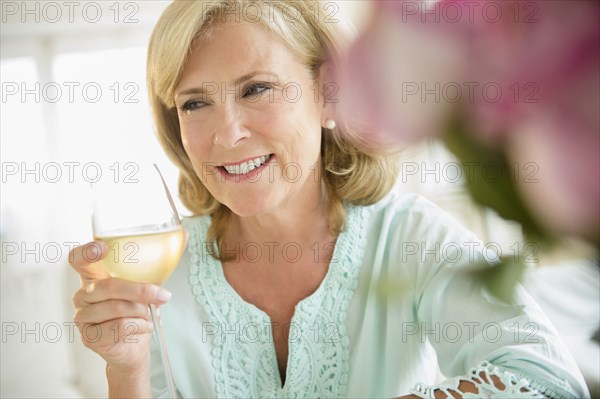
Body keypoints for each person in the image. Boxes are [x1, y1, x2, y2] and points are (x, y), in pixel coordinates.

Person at [69, 1, 589, 398]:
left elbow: (547, 378)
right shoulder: (161, 275)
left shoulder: (409, 237)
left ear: (329, 95)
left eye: (256, 89)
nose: (226, 135)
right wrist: (126, 368)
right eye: (195, 102)